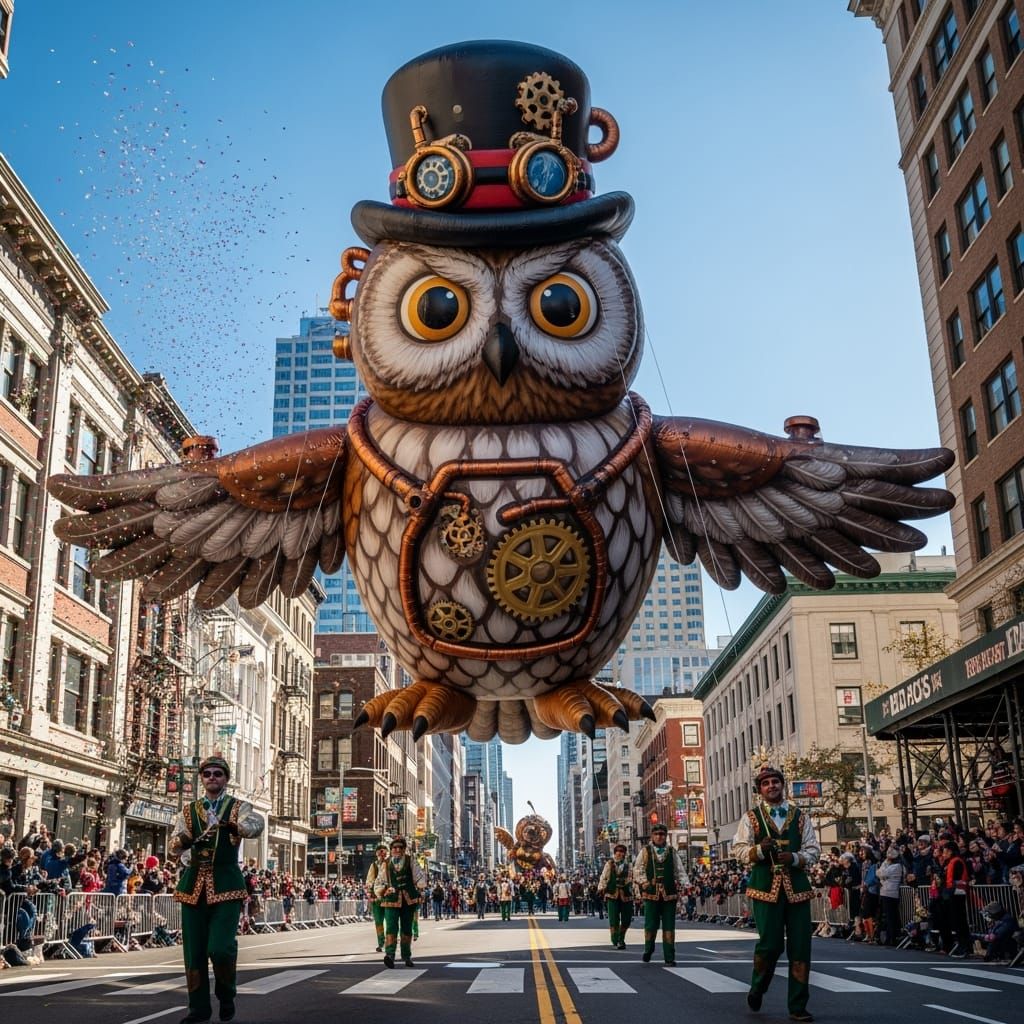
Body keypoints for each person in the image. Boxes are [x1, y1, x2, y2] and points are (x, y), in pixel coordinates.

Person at [170, 754, 264, 1024]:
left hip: (225, 885)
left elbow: (255, 825)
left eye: (217, 774)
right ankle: (198, 1009)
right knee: (194, 952)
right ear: (202, 778)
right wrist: (187, 839)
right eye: (208, 774)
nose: (212, 778)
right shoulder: (188, 811)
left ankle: (226, 994)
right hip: (193, 886)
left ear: (226, 779)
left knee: (221, 948)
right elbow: (174, 846)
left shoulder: (238, 806)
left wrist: (234, 825)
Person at [731, 764, 820, 1024]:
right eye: (766, 783)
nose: (772, 786)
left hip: (797, 890)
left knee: (801, 948)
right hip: (765, 889)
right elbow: (738, 851)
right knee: (770, 945)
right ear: (760, 790)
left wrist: (794, 857)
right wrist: (759, 850)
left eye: (775, 781)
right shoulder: (751, 817)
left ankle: (798, 1005)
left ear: (783, 785)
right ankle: (758, 987)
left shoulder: (799, 815)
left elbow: (813, 849)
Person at [633, 823, 687, 965]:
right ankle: (648, 950)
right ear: (652, 836)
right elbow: (638, 869)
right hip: (651, 894)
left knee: (669, 926)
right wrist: (644, 882)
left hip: (669, 894)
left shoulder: (671, 851)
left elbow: (679, 870)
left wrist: (686, 884)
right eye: (656, 834)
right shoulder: (645, 851)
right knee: (651, 924)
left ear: (665, 836)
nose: (659, 837)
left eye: (662, 834)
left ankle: (669, 956)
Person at [373, 836, 425, 968]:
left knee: (407, 928)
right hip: (391, 899)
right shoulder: (385, 863)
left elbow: (419, 876)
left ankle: (406, 955)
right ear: (391, 850)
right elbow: (379, 881)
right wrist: (384, 890)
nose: (397, 850)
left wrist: (420, 886)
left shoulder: (410, 861)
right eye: (394, 848)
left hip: (408, 900)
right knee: (391, 927)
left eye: (400, 847)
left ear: (404, 849)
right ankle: (390, 955)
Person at [936, 839, 971, 957]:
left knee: (959, 922)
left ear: (951, 851)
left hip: (956, 895)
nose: (943, 853)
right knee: (948, 921)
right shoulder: (948, 862)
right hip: (948, 895)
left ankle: (964, 947)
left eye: (945, 851)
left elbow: (954, 879)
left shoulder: (956, 861)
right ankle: (950, 946)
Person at [598, 843, 633, 950]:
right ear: (615, 853)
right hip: (612, 894)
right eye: (618, 851)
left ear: (624, 854)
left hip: (626, 894)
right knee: (614, 919)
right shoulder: (609, 864)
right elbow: (604, 877)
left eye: (622, 852)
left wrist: (637, 893)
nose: (619, 854)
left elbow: (633, 878)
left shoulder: (629, 865)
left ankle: (621, 937)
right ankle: (617, 939)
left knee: (627, 919)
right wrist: (601, 888)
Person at [365, 844, 388, 951]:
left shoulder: (391, 864)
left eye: (384, 853)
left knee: (390, 920)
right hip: (377, 898)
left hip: (389, 897)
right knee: (378, 921)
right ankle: (381, 942)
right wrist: (370, 894)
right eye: (380, 853)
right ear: (377, 854)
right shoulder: (373, 866)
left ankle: (391, 941)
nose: (382, 855)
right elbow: (369, 881)